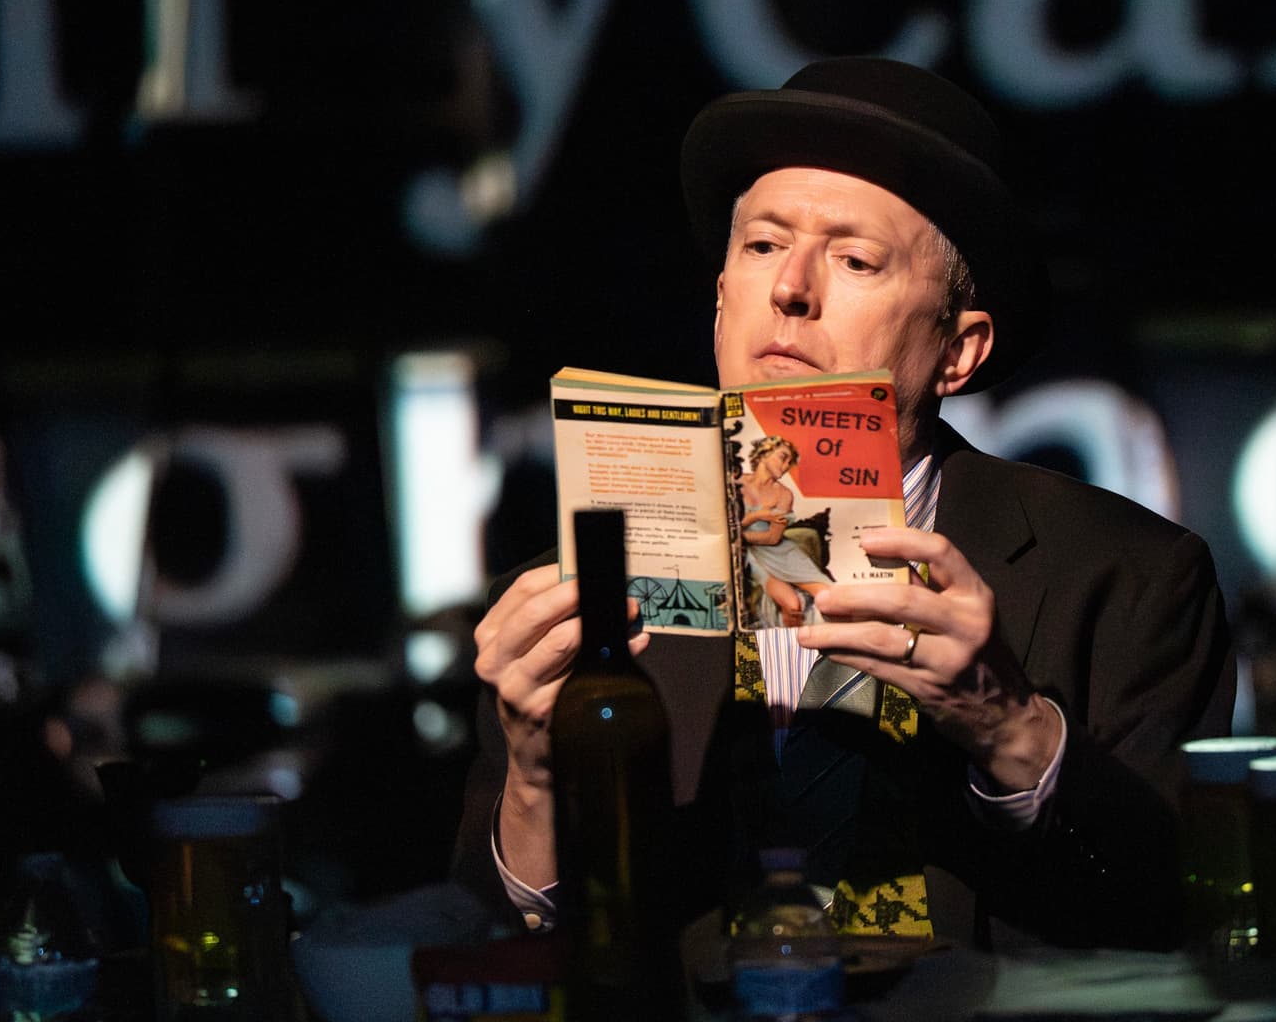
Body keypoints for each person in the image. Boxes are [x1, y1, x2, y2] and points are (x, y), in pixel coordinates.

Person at [453, 57, 1236, 950]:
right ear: (719, 302)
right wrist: (535, 787)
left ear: (958, 351)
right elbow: (482, 950)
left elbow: (1181, 914)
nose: (790, 288)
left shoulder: (1130, 577)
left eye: (856, 258)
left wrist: (1009, 729)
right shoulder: (572, 608)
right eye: (761, 246)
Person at [738, 435, 833, 629]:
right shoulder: (737, 483)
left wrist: (739, 537)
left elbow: (773, 538)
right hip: (753, 558)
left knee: (830, 596)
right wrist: (756, 517)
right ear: (764, 454)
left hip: (781, 552)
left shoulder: (784, 495)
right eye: (783, 457)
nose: (786, 465)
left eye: (789, 462)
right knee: (792, 605)